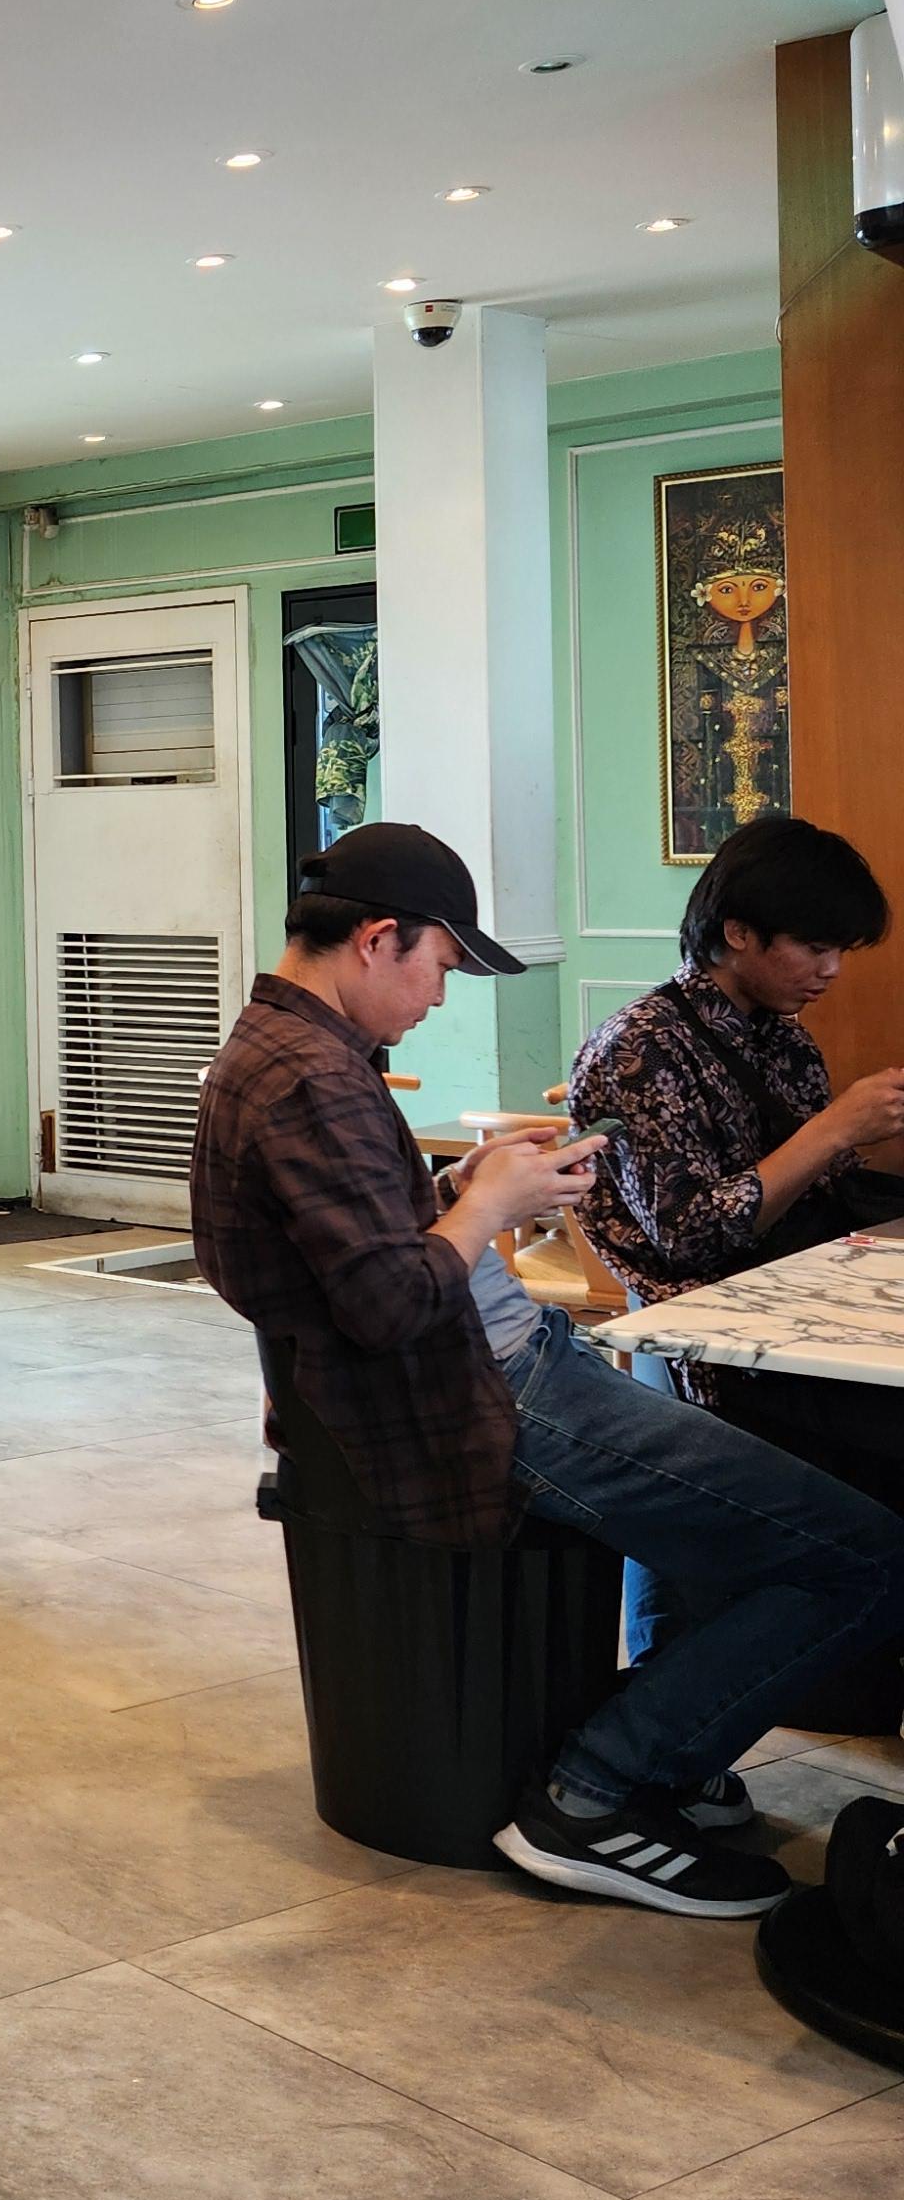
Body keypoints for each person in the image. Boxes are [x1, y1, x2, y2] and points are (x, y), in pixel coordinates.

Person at [191, 820, 904, 1920]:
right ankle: (598, 1791)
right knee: (862, 1559)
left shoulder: (284, 1051)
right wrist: (488, 1208)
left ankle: (661, 1759)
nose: (439, 997)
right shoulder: (310, 1079)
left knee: (778, 1528)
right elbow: (387, 1306)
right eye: (439, 966)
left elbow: (343, 1259)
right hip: (489, 1393)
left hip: (510, 1364)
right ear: (378, 939)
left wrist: (454, 1192)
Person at [567, 813, 904, 1667]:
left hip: (787, 1314)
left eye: (841, 950)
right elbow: (687, 1236)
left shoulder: (780, 1036)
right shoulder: (641, 1047)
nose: (831, 970)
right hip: (708, 1335)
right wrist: (835, 1129)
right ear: (739, 932)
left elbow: (814, 1196)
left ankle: (847, 1664)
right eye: (814, 947)